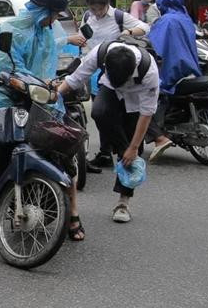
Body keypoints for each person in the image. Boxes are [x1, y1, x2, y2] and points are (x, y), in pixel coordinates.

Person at [0, 0, 84, 240]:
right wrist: (18, 82)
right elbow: (8, 65)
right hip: (8, 99)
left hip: (41, 98)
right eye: (53, 14)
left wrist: (52, 83)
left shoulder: (47, 32)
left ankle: (73, 213)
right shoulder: (9, 31)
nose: (54, 20)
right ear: (42, 11)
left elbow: (53, 58)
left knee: (65, 155)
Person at [59, 40, 160, 224]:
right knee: (99, 111)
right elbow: (75, 79)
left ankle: (123, 202)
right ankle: (124, 151)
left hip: (137, 102)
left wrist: (134, 146)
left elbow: (147, 114)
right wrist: (53, 98)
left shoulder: (149, 71)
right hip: (110, 91)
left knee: (132, 149)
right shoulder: (100, 53)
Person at [69, 0, 147, 172]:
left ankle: (129, 148)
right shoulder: (88, 17)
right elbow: (84, 37)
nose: (96, 12)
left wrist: (128, 32)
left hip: (118, 68)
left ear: (107, 4)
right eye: (93, 8)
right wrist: (79, 42)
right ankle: (105, 152)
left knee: (123, 111)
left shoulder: (119, 16)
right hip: (95, 68)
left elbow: (144, 27)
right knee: (101, 112)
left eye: (100, 9)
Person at [144, 0, 201, 162]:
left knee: (143, 96)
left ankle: (158, 136)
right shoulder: (186, 18)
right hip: (190, 69)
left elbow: (155, 44)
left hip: (172, 71)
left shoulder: (166, 21)